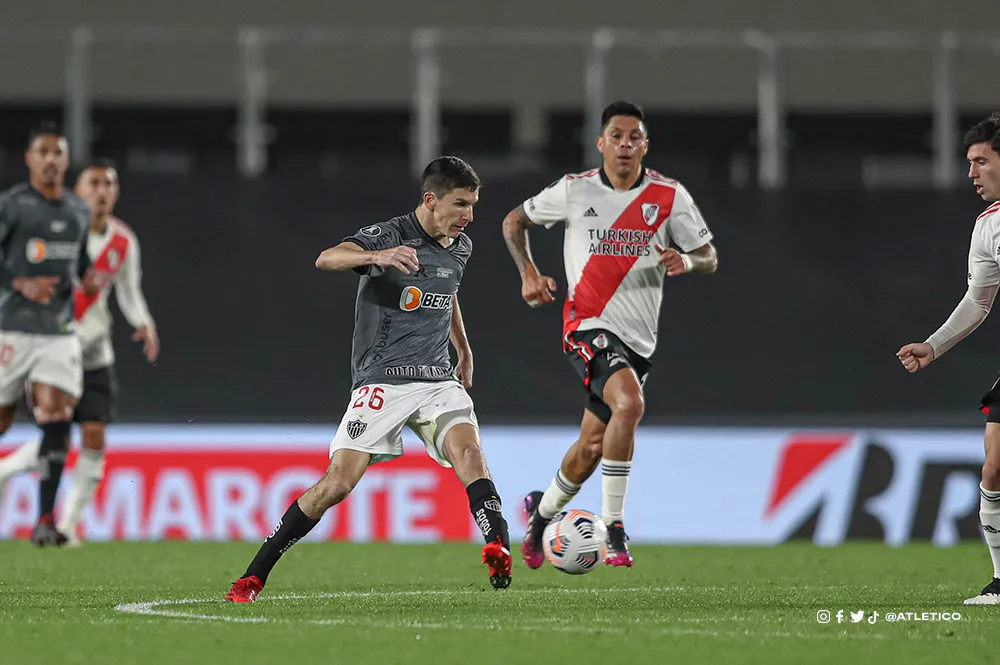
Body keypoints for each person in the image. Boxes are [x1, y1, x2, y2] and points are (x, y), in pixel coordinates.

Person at [225, 156, 511, 602]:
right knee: (338, 482)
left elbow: (448, 293)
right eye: (460, 204)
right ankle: (254, 574)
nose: (469, 216)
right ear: (430, 200)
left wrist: (464, 348)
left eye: (473, 205)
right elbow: (326, 259)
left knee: (470, 453)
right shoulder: (390, 235)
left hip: (436, 378)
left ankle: (498, 547)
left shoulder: (460, 246)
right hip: (383, 379)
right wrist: (377, 256)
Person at [501, 101, 718, 569]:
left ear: (645, 145)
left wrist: (690, 262)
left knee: (592, 447)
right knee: (631, 404)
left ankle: (539, 518)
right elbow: (513, 221)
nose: (624, 144)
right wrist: (529, 274)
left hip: (639, 342)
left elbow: (710, 255)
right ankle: (614, 526)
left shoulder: (668, 195)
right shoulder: (574, 191)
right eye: (616, 136)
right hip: (586, 324)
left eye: (634, 136)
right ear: (601, 143)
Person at [0, 159, 159, 545]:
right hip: (52, 344)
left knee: (93, 435)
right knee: (57, 431)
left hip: (95, 351)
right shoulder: (62, 229)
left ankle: (68, 529)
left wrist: (144, 322)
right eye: (94, 184)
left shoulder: (123, 241)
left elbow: (128, 290)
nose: (103, 191)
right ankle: (9, 473)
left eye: (109, 184)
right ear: (79, 190)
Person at [897, 111, 1000, 605]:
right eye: (969, 162)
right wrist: (932, 345)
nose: (971, 173)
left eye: (981, 161)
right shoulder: (987, 228)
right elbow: (978, 302)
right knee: (994, 468)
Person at [0, 121, 101, 546]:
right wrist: (19, 283)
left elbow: (77, 263)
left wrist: (88, 276)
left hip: (59, 331)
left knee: (57, 414)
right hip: (13, 327)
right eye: (43, 152)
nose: (51, 160)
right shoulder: (12, 206)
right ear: (30, 158)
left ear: (65, 160)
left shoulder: (78, 209)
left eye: (58, 153)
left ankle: (44, 520)